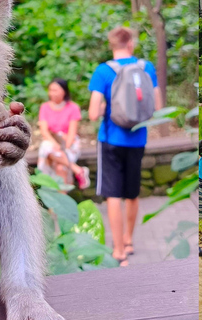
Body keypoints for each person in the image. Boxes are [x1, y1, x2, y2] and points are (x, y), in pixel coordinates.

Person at [88, 27, 162, 266]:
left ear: (112, 44)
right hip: (138, 139)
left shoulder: (103, 71)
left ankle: (119, 251)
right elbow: (158, 107)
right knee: (132, 193)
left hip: (110, 140)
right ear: (130, 43)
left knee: (113, 195)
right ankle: (129, 240)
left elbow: (92, 113)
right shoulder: (146, 68)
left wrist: (101, 109)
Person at [37, 78, 90, 189]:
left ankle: (60, 202)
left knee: (61, 168)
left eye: (55, 90)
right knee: (47, 145)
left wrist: (64, 148)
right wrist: (55, 145)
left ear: (64, 91)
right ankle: (77, 170)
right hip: (52, 143)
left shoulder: (73, 108)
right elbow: (44, 131)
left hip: (68, 143)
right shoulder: (45, 107)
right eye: (51, 90)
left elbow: (72, 132)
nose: (52, 93)